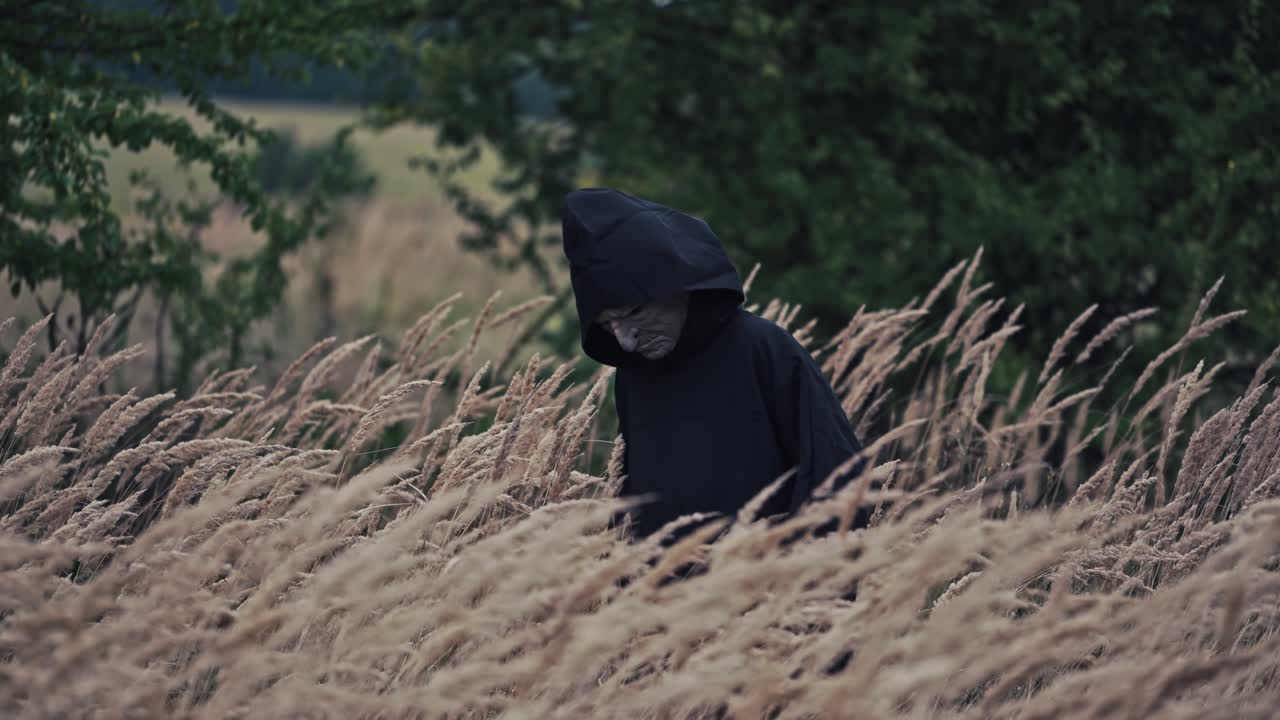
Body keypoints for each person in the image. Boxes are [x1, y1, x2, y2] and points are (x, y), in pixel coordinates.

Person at [561, 188, 867, 542]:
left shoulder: (764, 349)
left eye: (633, 313)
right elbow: (634, 508)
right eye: (607, 326)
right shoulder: (633, 375)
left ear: (676, 285)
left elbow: (837, 483)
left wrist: (806, 587)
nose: (626, 340)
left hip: (769, 587)